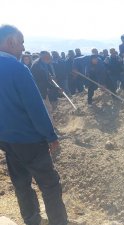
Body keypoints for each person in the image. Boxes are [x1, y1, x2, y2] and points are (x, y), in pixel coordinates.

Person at [0, 24, 68, 225]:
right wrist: (51, 135)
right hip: (29, 140)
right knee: (50, 185)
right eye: (20, 42)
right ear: (10, 42)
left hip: (7, 141)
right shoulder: (18, 69)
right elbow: (35, 107)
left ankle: (31, 220)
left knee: (21, 184)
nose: (23, 48)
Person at [31, 51, 59, 123]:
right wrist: (57, 88)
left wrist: (49, 76)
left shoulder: (42, 63)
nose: (51, 59)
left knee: (48, 108)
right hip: (39, 91)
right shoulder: (38, 66)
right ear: (45, 58)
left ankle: (51, 125)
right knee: (47, 109)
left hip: (42, 90)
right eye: (49, 57)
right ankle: (51, 127)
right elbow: (44, 82)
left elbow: (46, 74)